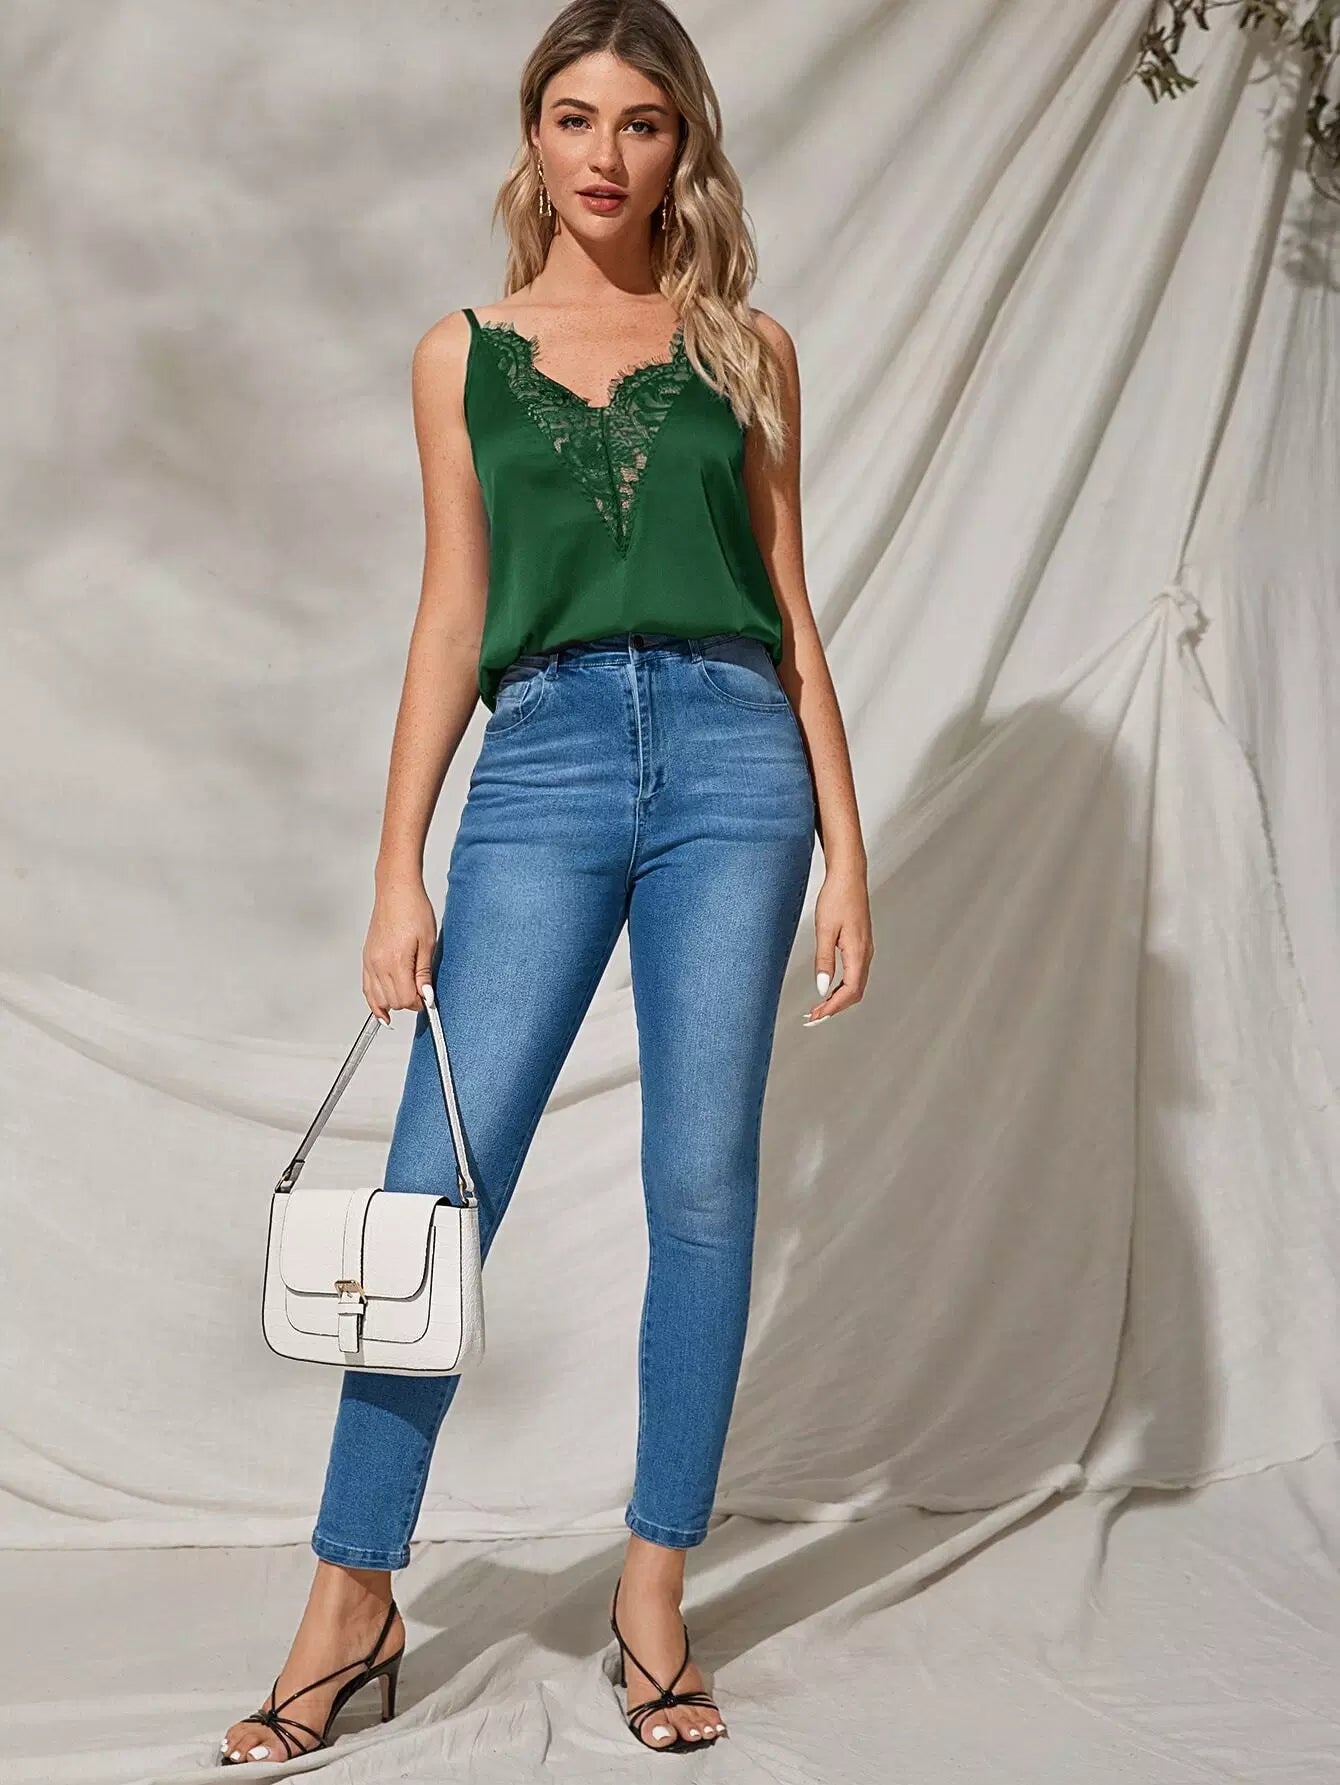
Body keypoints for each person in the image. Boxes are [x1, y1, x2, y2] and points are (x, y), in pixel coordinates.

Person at [220, 0, 872, 1764]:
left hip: (736, 763)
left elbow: (794, 611)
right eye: (574, 117)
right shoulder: (460, 354)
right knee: (434, 1188)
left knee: (704, 1187)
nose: (604, 152)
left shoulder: (750, 348)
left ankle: (654, 1594)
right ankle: (352, 1595)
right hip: (547, 757)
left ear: (682, 148)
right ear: (533, 137)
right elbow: (451, 615)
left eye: (640, 123)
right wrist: (397, 866)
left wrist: (848, 847)